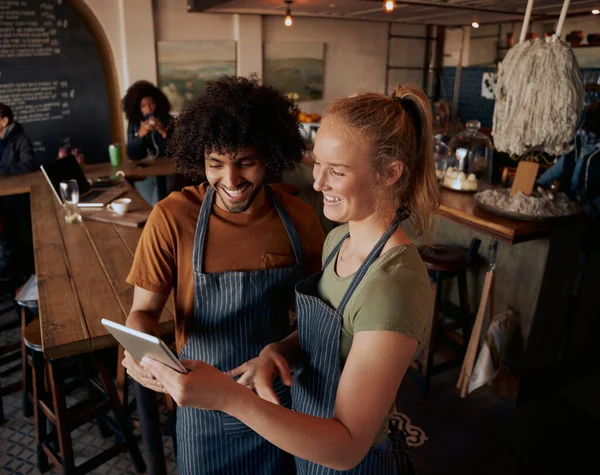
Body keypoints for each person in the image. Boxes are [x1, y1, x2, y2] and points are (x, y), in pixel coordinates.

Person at [142, 84, 438, 473]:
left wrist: (230, 397)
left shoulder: (395, 285)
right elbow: (334, 334)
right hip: (304, 444)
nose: (317, 183)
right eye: (317, 163)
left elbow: (348, 446)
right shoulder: (338, 241)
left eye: (337, 171)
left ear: (390, 173)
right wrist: (279, 351)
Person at [122, 76, 325, 474]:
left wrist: (282, 350)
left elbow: (318, 322)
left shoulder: (299, 219)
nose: (230, 181)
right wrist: (143, 352)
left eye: (246, 162)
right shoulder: (172, 217)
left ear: (269, 155)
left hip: (275, 402)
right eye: (216, 164)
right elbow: (142, 312)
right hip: (201, 408)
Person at [537, 101, 600, 217]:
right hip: (567, 210)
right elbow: (555, 171)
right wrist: (538, 185)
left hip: (591, 219)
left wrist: (592, 207)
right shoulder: (575, 148)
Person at [122, 80, 174, 205]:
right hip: (144, 174)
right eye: (143, 106)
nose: (149, 108)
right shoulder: (134, 124)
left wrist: (163, 133)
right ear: (137, 109)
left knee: (157, 205)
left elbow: (175, 153)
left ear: (157, 103)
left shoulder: (167, 120)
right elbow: (132, 155)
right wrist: (140, 135)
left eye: (151, 103)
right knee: (154, 204)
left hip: (166, 172)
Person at [0, 103, 36, 284]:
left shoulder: (20, 139)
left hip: (16, 199)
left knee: (19, 239)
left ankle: (25, 276)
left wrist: (3, 169)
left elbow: (28, 164)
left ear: (4, 120)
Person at [0, 103, 35, 175]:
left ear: (4, 121)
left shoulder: (22, 141)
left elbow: (28, 166)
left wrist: (3, 170)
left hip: (14, 185)